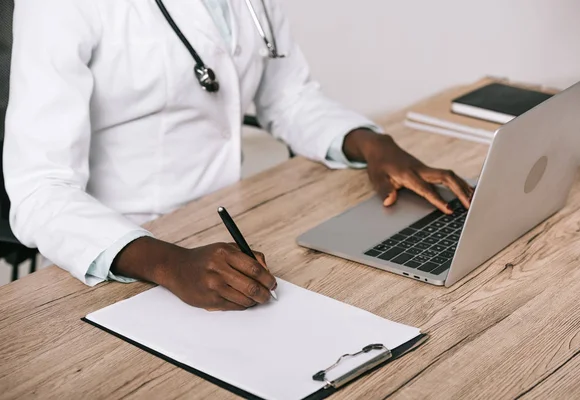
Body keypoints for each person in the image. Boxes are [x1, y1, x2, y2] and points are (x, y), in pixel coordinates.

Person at [4, 0, 473, 311]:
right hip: (121, 255)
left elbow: (287, 97)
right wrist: (168, 264)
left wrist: (375, 145)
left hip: (235, 227)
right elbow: (39, 188)